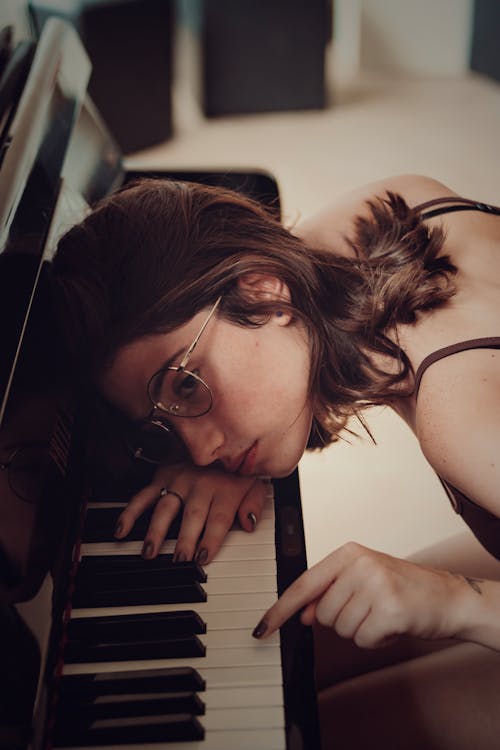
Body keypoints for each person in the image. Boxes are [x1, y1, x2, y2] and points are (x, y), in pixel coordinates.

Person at [51, 173, 500, 749]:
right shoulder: (366, 227)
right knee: (293, 659)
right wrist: (217, 453)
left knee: (331, 729)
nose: (199, 449)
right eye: (163, 422)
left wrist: (456, 604)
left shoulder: (463, 424)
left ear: (263, 292)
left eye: (187, 385)